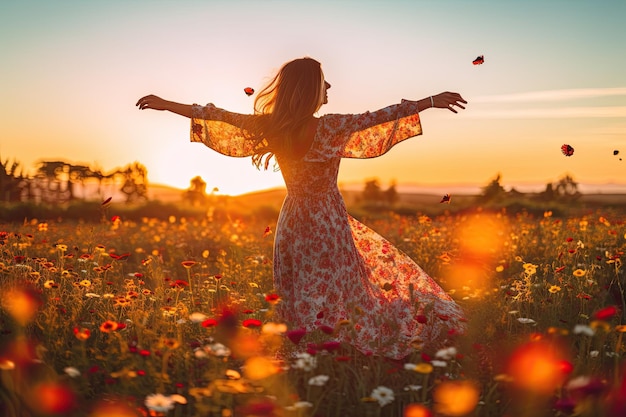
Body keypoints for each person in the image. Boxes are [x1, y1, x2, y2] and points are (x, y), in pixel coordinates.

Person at [136, 57, 467, 359]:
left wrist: (168, 105)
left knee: (300, 290)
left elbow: (214, 115)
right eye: (324, 82)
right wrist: (431, 102)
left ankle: (309, 352)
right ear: (310, 89)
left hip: (293, 221)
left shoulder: (271, 126)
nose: (329, 88)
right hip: (327, 222)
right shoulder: (331, 125)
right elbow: (382, 115)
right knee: (341, 287)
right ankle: (336, 348)